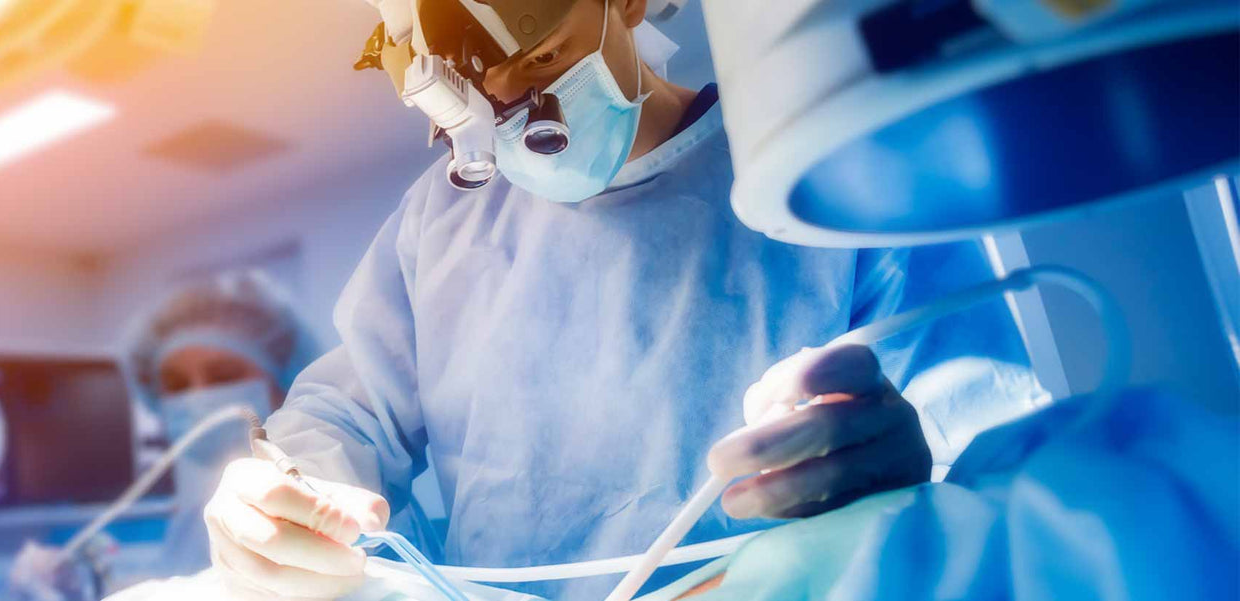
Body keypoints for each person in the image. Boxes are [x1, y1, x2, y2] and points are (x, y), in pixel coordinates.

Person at [197, 1, 1046, 599]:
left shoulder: (819, 171)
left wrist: (919, 464)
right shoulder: (441, 221)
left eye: (539, 58)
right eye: (471, 92)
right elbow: (345, 420)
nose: (507, 106)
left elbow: (1002, 471)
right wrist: (283, 497)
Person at [11, 271, 321, 600]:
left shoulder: (307, 498)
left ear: (284, 382)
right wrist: (87, 587)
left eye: (224, 376)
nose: (196, 397)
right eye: (175, 384)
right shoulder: (201, 509)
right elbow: (187, 583)